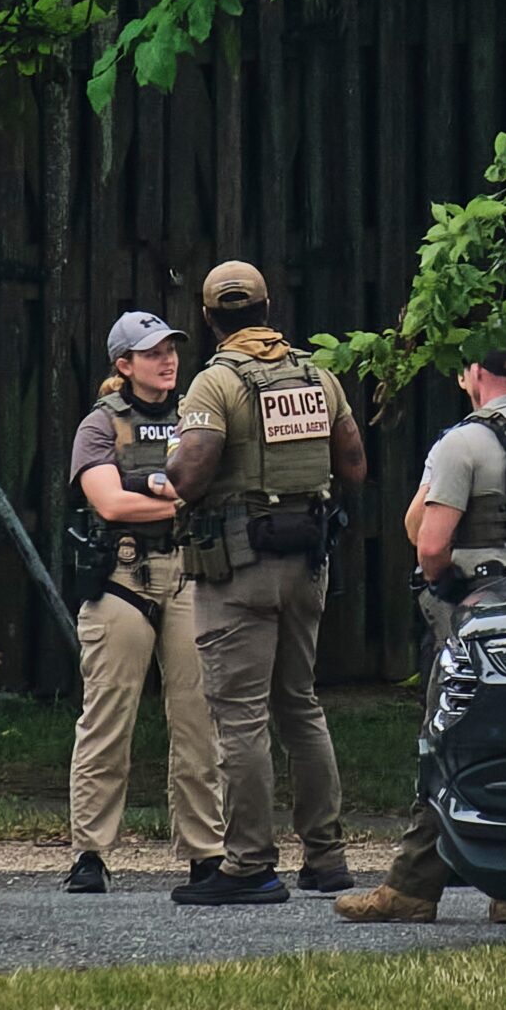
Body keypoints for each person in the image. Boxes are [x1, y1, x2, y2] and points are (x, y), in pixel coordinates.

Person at [334, 330, 506, 925]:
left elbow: (430, 544)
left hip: (476, 614)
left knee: (445, 740)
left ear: (473, 373)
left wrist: (446, 589)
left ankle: (411, 888)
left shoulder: (464, 444)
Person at [164, 261, 367, 906]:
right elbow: (354, 466)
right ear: (268, 307)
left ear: (208, 317)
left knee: (241, 717)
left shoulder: (214, 384)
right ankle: (327, 857)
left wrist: (173, 469)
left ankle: (249, 864)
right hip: (308, 562)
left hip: (238, 567)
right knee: (301, 705)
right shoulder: (318, 376)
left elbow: (191, 475)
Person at [63, 311, 224, 893]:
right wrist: (184, 502)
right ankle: (90, 854)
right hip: (121, 581)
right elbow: (109, 504)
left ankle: (207, 852)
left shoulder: (196, 416)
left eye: (172, 349)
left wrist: (156, 495)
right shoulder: (101, 425)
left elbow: (221, 483)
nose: (168, 360)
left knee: (199, 720)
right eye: (152, 352)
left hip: (189, 577)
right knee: (106, 721)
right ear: (124, 365)